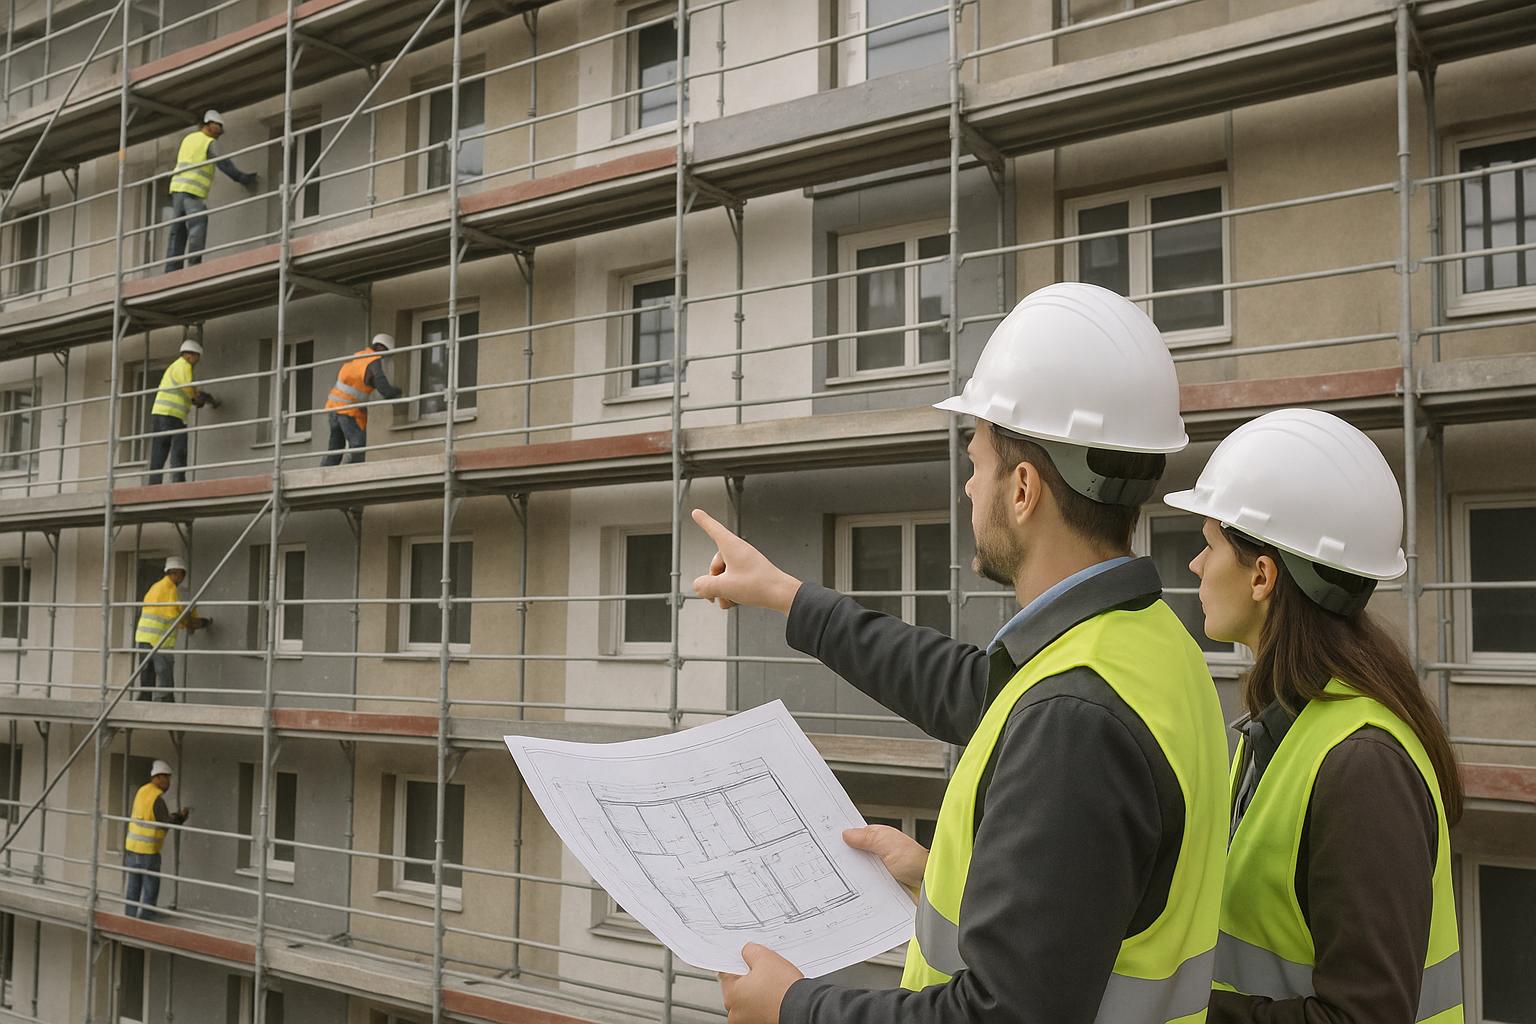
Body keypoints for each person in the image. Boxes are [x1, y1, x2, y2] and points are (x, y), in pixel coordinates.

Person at [696, 282, 1230, 1024]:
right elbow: (971, 691)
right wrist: (788, 596)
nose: (967, 485)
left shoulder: (1075, 716)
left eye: (975, 461)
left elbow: (1001, 1015)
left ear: (1022, 490)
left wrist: (795, 1007)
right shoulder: (1142, 640)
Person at [1163, 408, 1464, 1023]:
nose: (1195, 565)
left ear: (1263, 576)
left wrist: (1183, 1015)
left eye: (1209, 544)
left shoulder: (1362, 768)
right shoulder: (1279, 729)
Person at [165, 109, 258, 272]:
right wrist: (242, 178)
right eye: (219, 127)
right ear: (209, 124)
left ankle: (172, 270)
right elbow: (223, 164)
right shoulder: (208, 141)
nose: (221, 132)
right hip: (191, 190)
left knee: (178, 230)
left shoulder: (189, 138)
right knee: (198, 222)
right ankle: (194, 266)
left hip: (177, 189)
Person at [134, 556, 210, 702]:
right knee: (165, 672)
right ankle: (166, 702)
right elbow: (176, 615)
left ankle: (143, 702)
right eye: (182, 574)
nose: (182, 578)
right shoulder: (170, 589)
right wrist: (197, 623)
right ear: (176, 572)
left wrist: (189, 620)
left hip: (144, 637)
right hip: (160, 639)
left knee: (147, 673)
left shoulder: (155, 587)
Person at [124, 759, 191, 921]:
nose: (168, 782)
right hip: (148, 850)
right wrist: (180, 817)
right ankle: (147, 915)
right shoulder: (156, 798)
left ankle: (130, 914)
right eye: (166, 778)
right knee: (151, 885)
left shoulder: (142, 791)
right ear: (158, 778)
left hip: (132, 848)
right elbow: (164, 822)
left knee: (134, 883)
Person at [321, 333, 402, 466]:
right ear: (382, 348)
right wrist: (397, 392)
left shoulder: (359, 356)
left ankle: (324, 474)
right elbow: (383, 387)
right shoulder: (372, 361)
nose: (384, 358)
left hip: (333, 408)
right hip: (348, 411)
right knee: (358, 444)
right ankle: (352, 474)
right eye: (386, 354)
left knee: (335, 447)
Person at [146, 338, 217, 485]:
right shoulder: (184, 366)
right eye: (197, 358)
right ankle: (178, 480)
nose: (196, 362)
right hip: (173, 415)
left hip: (159, 413)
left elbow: (182, 387)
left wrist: (195, 396)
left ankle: (154, 482)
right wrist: (196, 398)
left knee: (160, 448)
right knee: (179, 446)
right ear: (190, 355)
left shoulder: (174, 367)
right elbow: (187, 387)